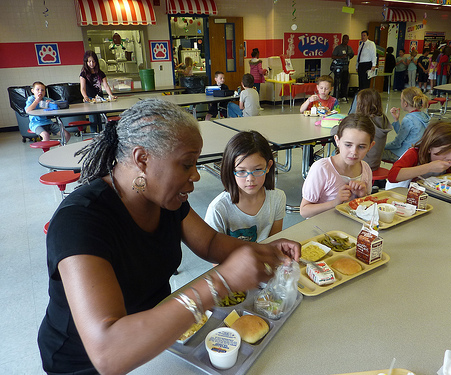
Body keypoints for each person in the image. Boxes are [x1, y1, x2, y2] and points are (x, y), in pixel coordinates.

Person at [37, 98, 300, 375]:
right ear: (142, 159)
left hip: (158, 337)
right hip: (84, 362)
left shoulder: (165, 200)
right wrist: (222, 280)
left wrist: (266, 252)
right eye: (187, 164)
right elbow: (108, 351)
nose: (196, 175)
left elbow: (210, 242)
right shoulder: (80, 221)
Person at [205, 131, 286, 242]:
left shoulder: (277, 198)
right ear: (231, 170)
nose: (250, 179)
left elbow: (274, 242)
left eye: (257, 170)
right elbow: (213, 252)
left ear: (268, 166)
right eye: (241, 171)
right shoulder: (218, 208)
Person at [300, 114, 375, 219]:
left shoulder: (366, 169)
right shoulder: (322, 168)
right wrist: (334, 203)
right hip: (322, 228)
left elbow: (366, 208)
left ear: (370, 146)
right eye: (348, 145)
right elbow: (304, 211)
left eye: (361, 146)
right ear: (337, 141)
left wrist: (363, 196)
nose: (354, 152)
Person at [386, 121, 451, 189]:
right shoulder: (414, 154)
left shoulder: (448, 159)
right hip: (401, 193)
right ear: (429, 147)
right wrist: (429, 167)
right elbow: (392, 176)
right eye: (445, 151)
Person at [335, 88, 392, 171]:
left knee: (337, 151)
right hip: (375, 163)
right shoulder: (383, 118)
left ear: (360, 104)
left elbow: (335, 131)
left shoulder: (363, 122)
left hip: (361, 164)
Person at [382, 87, 430, 162]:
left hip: (405, 154)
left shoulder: (408, 119)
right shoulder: (424, 116)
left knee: (376, 153)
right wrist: (396, 120)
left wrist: (382, 147)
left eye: (401, 100)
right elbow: (405, 135)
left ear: (405, 104)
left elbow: (397, 144)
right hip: (418, 153)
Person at [79, 50, 116, 133]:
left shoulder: (100, 73)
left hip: (100, 99)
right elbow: (83, 88)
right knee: (93, 120)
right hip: (90, 100)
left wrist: (111, 95)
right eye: (89, 61)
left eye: (93, 61)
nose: (92, 63)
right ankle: (94, 136)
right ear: (86, 62)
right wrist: (85, 97)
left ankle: (103, 135)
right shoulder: (83, 74)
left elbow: (106, 85)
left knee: (102, 119)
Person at [331, 34, 354, 102]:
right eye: (345, 39)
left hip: (346, 68)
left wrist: (348, 56)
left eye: (347, 39)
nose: (346, 41)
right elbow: (333, 56)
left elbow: (352, 55)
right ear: (342, 39)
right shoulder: (338, 48)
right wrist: (341, 57)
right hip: (338, 68)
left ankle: (344, 95)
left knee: (345, 82)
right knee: (337, 82)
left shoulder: (349, 48)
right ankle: (336, 95)